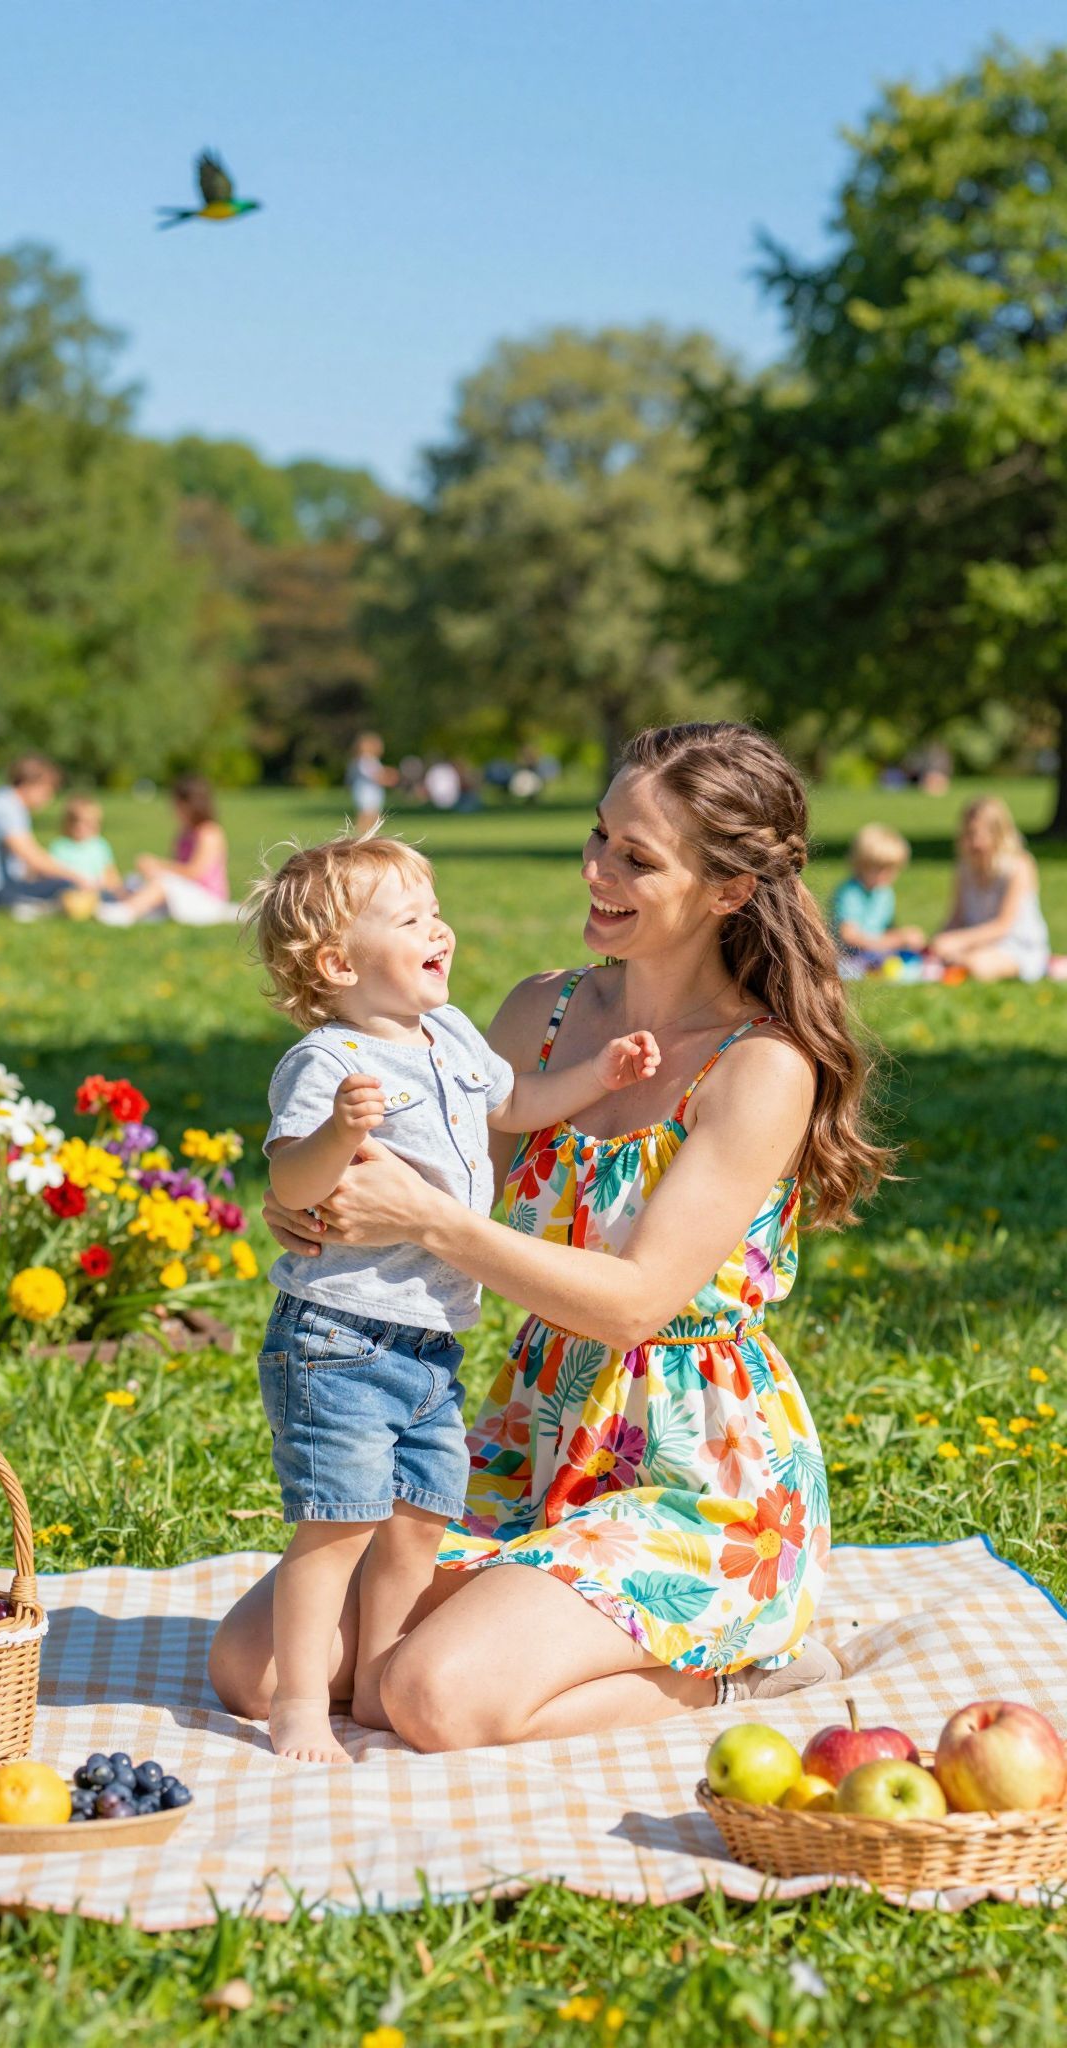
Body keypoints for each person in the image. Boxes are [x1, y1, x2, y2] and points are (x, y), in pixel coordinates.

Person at [210, 722, 888, 1753]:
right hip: (528, 1427)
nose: (595, 869)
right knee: (253, 1671)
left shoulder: (762, 1067)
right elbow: (415, 1157)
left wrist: (430, 1218)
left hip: (695, 1465)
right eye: (598, 834)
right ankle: (535, 1620)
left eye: (636, 856)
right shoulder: (539, 1012)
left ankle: (739, 1676)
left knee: (432, 1697)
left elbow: (634, 1301)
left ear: (728, 891)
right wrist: (318, 1194)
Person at [246, 832, 661, 1762]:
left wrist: (598, 1077)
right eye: (412, 920)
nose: (442, 931)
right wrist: (335, 1137)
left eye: (436, 913)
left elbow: (510, 1103)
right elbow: (291, 1178)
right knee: (336, 1522)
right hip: (338, 1336)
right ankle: (303, 1704)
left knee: (418, 1517)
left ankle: (379, 1676)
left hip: (431, 1342)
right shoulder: (329, 1063)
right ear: (338, 962)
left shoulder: (453, 1034)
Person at [929, 797, 1051, 984]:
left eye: (978, 835)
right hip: (976, 943)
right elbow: (956, 917)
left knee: (977, 965)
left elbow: (1003, 925)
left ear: (998, 834)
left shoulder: (1018, 866)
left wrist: (957, 941)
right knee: (943, 957)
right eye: (968, 834)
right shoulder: (965, 869)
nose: (973, 843)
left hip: (1016, 946)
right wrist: (940, 939)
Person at [98, 776, 238, 927]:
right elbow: (177, 867)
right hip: (188, 894)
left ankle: (125, 913)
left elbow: (194, 872)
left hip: (208, 900)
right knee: (136, 880)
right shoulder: (185, 833)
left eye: (176, 803)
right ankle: (114, 903)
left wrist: (158, 865)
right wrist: (154, 871)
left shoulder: (209, 833)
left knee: (163, 883)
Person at [0, 756, 91, 912]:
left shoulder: (4, 801)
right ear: (31, 784)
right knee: (66, 887)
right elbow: (32, 858)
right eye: (48, 790)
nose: (49, 798)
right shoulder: (7, 808)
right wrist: (77, 877)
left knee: (61, 886)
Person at [831, 824, 926, 978]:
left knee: (912, 959)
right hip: (851, 955)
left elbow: (886, 929)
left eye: (891, 869)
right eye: (878, 868)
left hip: (878, 951)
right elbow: (849, 937)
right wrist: (896, 940)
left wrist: (906, 938)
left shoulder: (884, 893)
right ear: (860, 865)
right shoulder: (850, 893)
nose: (885, 875)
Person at [48, 797, 122, 892]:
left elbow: (112, 875)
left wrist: (110, 885)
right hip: (68, 890)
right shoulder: (60, 846)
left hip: (97, 891)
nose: (81, 827)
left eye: (88, 823)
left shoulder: (100, 845)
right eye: (76, 822)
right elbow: (52, 873)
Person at [346, 734, 399, 836]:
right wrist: (388, 778)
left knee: (374, 814)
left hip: (373, 791)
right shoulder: (363, 760)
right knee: (365, 814)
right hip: (365, 791)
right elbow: (373, 774)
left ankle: (371, 834)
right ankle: (362, 834)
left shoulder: (372, 760)